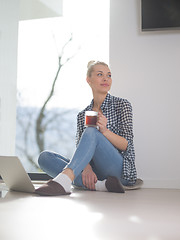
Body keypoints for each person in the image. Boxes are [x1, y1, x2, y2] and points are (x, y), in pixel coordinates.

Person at [35, 60, 137, 196]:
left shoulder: (122, 105)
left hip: (119, 171)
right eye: (100, 74)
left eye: (109, 75)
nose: (106, 78)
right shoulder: (82, 114)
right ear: (88, 79)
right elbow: (80, 146)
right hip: (96, 174)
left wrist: (105, 131)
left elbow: (127, 145)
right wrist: (86, 167)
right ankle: (101, 186)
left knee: (91, 131)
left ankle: (66, 180)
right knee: (45, 157)